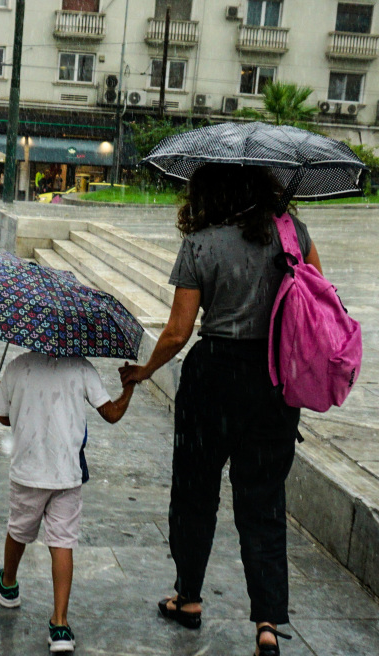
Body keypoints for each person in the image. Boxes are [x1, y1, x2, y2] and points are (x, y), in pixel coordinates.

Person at [119, 164, 323, 656]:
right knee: (264, 502)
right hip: (275, 382)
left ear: (208, 192)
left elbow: (177, 331)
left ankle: (189, 597)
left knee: (194, 493)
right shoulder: (293, 233)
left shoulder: (201, 244)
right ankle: (268, 625)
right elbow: (316, 298)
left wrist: (144, 371)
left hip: (212, 379)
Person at [0, 351, 136, 653]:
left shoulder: (17, 366)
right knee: (63, 543)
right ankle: (60, 624)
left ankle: (8, 584)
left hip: (28, 471)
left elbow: (3, 416)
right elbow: (113, 413)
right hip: (67, 473)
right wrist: (129, 386)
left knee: (18, 530)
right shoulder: (81, 367)